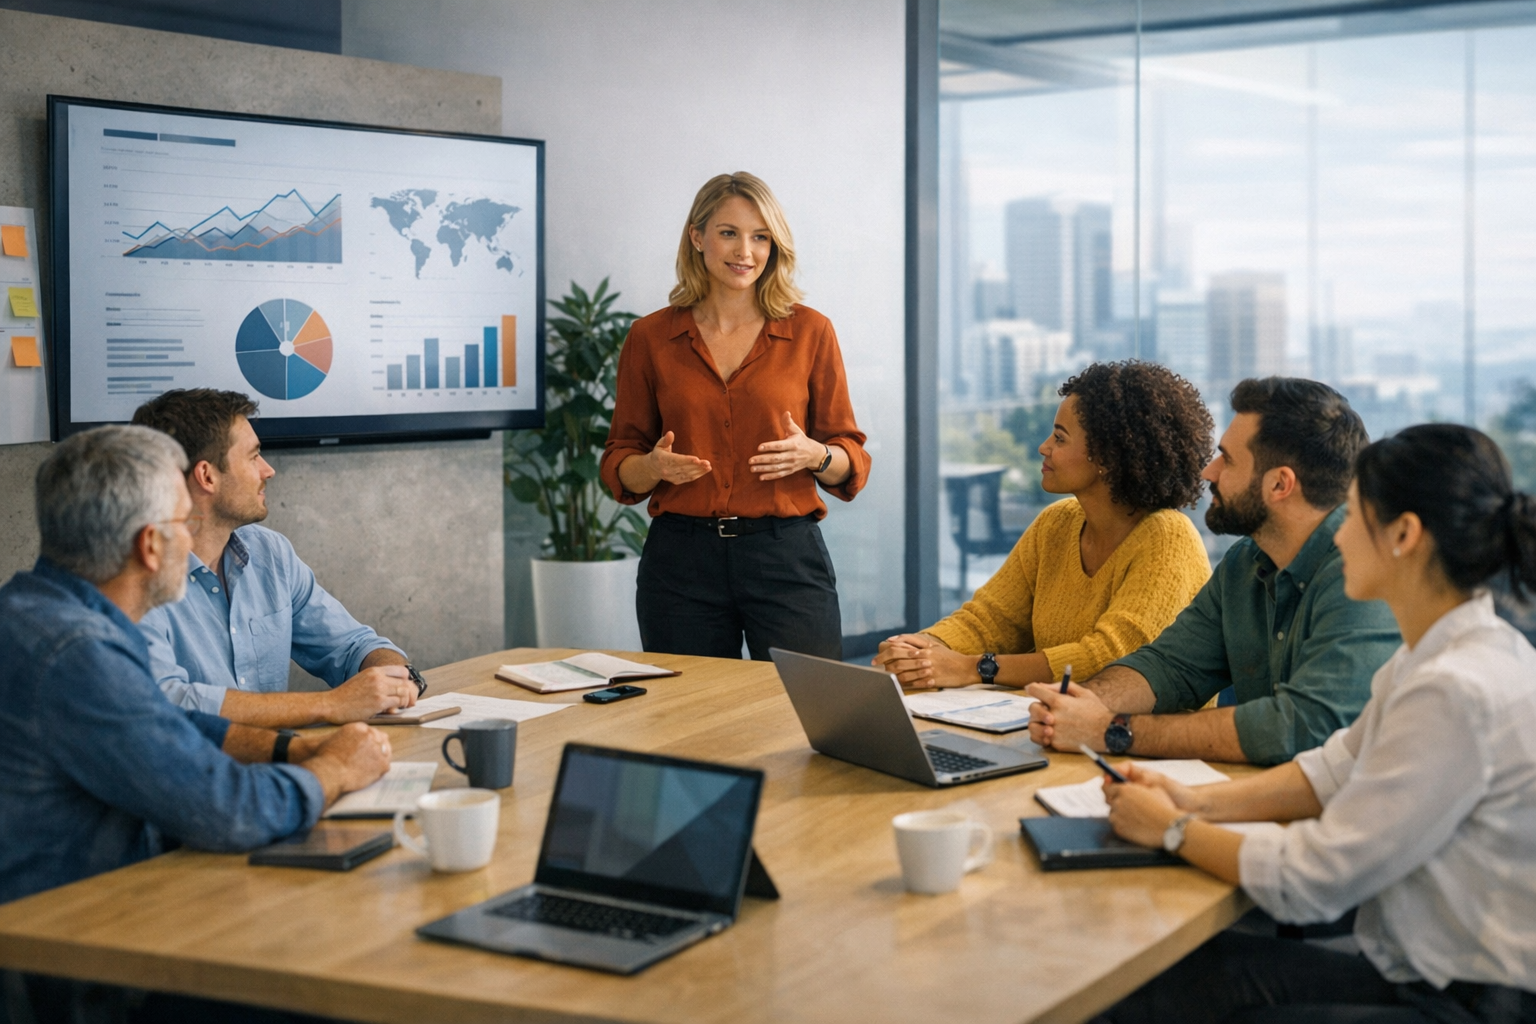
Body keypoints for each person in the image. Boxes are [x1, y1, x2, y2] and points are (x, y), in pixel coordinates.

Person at [1096, 423, 1536, 1023]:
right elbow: (1330, 772)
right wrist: (1191, 800)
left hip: (1473, 1003)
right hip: (1419, 971)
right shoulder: (1437, 653)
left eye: (1353, 517)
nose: (1340, 537)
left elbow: (1314, 880)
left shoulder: (1455, 689)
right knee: (1163, 985)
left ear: (1405, 534)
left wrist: (1173, 829)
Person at [0, 426, 388, 1020]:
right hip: (85, 967)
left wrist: (288, 751)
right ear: (151, 547)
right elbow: (227, 809)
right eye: (186, 524)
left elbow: (158, 726)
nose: (196, 539)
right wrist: (335, 768)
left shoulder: (40, 612)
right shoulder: (75, 652)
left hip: (114, 920)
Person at [1027, 377, 1399, 765]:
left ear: (1279, 484)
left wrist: (1111, 730)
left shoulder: (1365, 573)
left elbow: (1303, 727)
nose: (1209, 471)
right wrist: (1077, 707)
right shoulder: (1245, 562)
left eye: (1228, 460)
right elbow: (1169, 666)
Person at [601, 172, 870, 660]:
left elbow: (851, 459)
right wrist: (653, 467)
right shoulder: (649, 338)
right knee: (690, 723)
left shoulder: (812, 332)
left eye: (760, 236)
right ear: (697, 237)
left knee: (804, 718)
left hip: (785, 556)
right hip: (680, 564)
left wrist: (816, 454)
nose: (745, 250)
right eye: (729, 232)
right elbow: (619, 460)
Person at [873, 361, 1214, 688]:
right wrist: (919, 648)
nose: (1044, 447)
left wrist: (974, 668)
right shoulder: (1057, 523)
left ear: (1109, 457)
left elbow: (1108, 659)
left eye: (1060, 438)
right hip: (1055, 725)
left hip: (1142, 741)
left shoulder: (1169, 538)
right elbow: (991, 619)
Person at [132, 389, 421, 729]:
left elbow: (352, 645)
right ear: (207, 476)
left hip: (279, 763)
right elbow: (167, 702)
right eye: (254, 457)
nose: (268, 470)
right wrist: (330, 704)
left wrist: (393, 679)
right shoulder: (132, 577)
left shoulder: (271, 554)